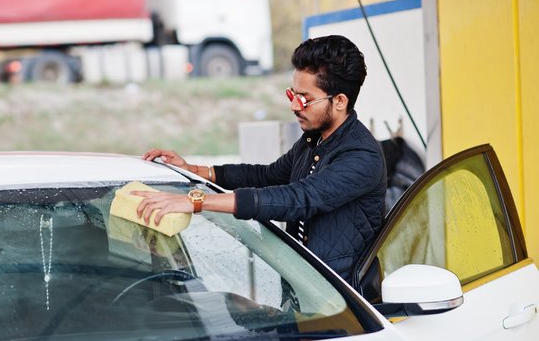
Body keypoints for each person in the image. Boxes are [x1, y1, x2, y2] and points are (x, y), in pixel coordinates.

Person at [135, 35, 386, 283]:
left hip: (344, 306)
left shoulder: (362, 157)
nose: (294, 107)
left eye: (305, 99)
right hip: (306, 291)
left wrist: (197, 202)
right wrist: (196, 170)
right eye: (292, 95)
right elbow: (267, 176)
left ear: (340, 101)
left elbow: (299, 199)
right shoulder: (314, 139)